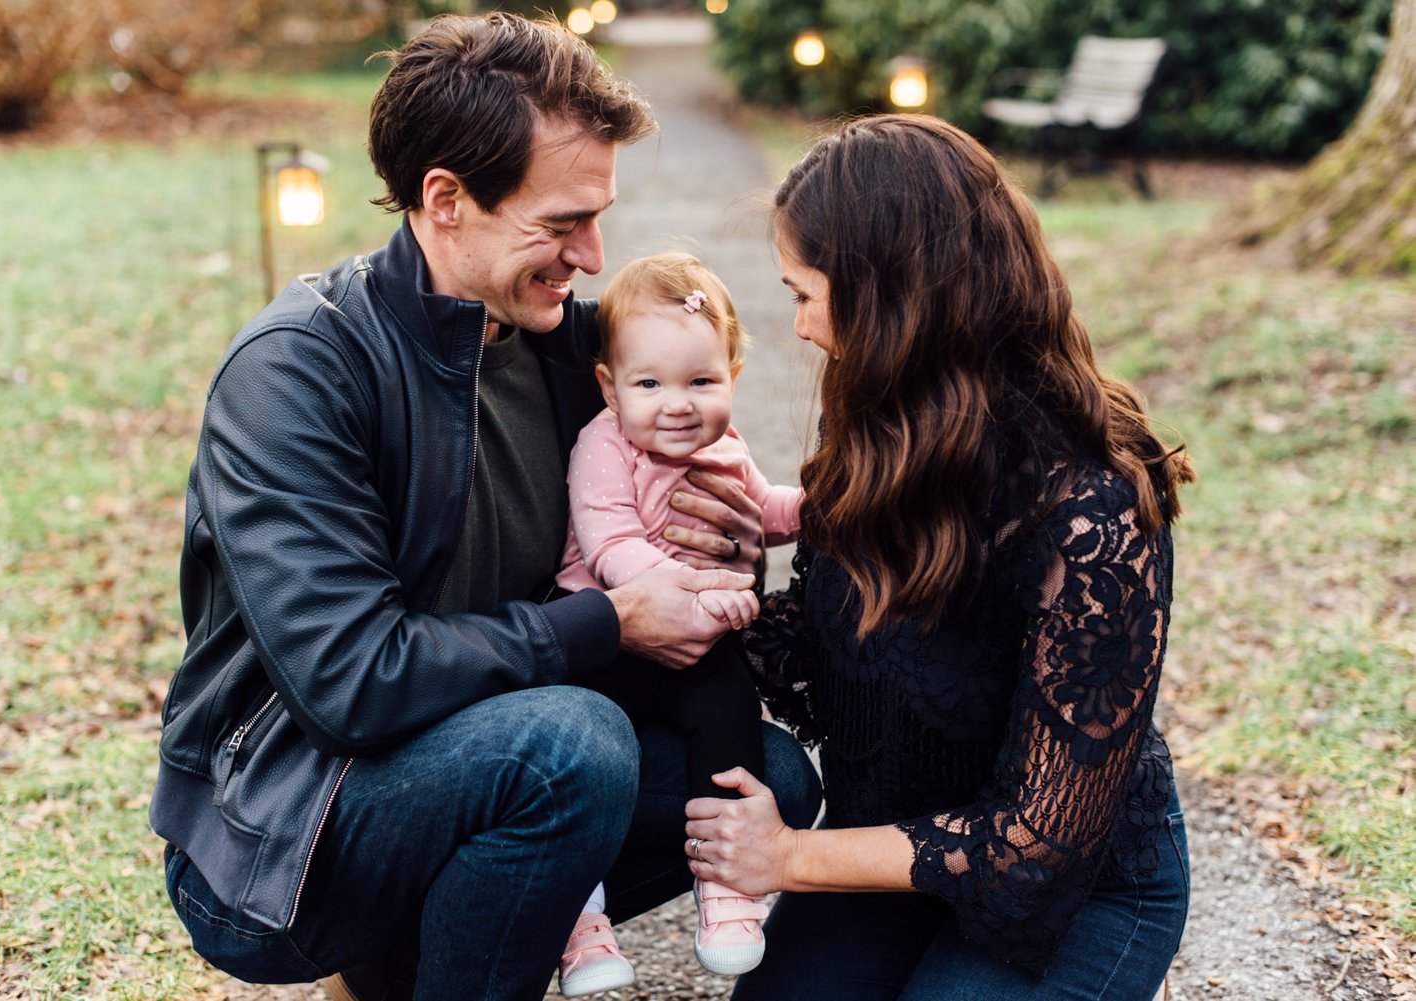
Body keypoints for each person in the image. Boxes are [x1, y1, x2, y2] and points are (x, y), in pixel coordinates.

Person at [147, 14, 820, 1001]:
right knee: (573, 745)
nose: (593, 256)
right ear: (446, 199)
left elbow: (698, 506)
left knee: (762, 780)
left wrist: (720, 539)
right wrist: (610, 618)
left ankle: (416, 957)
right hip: (287, 829)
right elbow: (350, 679)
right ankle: (395, 952)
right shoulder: (298, 371)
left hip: (486, 758)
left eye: (600, 217)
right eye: (560, 223)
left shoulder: (570, 347)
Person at [681, 114, 1195, 1000]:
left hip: (1070, 888)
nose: (799, 327)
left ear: (893, 303)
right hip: (890, 852)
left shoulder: (1094, 504)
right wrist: (709, 589)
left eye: (805, 293)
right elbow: (825, 645)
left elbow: (1039, 839)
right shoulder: (882, 430)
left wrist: (791, 854)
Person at [551, 254, 802, 994]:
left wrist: (819, 506)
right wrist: (687, 589)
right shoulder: (603, 445)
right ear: (610, 387)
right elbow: (612, 544)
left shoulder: (727, 447)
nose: (678, 405)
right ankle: (576, 916)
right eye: (650, 383)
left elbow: (766, 511)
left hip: (697, 641)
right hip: (611, 640)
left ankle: (725, 884)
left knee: (729, 716)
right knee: (593, 762)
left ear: (733, 375)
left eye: (702, 382)